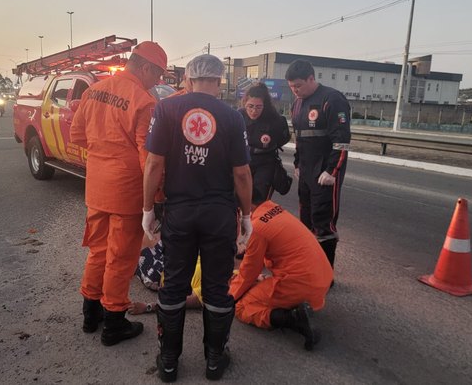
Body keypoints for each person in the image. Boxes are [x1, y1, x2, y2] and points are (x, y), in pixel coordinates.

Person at [142, 54, 253, 382]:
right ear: (219, 81)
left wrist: (148, 209)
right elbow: (243, 173)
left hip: (180, 213)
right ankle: (215, 360)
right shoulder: (232, 117)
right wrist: (247, 216)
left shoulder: (166, 109)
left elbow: (152, 165)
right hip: (219, 215)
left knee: (174, 285)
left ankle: (169, 361)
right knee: (218, 287)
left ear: (187, 80)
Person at [69, 41, 168, 347]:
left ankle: (91, 314)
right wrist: (157, 198)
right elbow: (147, 158)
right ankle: (113, 323)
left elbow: (77, 135)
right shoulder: (143, 100)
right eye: (159, 75)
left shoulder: (93, 90)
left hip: (96, 188)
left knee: (98, 250)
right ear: (146, 67)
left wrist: (104, 157)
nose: (159, 82)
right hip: (126, 191)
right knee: (121, 258)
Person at [229, 199, 332, 350]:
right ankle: (296, 305)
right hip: (322, 277)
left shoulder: (257, 228)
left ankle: (293, 319)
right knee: (256, 285)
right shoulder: (273, 209)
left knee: (242, 306)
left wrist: (228, 298)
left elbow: (248, 274)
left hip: (303, 284)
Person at [287, 59, 351, 270]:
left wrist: (332, 171)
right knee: (306, 221)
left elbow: (341, 140)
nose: (295, 90)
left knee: (323, 222)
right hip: (306, 171)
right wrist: (297, 163)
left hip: (325, 173)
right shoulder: (297, 104)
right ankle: (308, 269)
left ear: (311, 79)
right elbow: (300, 138)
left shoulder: (331, 99)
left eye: (298, 85)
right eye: (291, 87)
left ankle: (325, 275)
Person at [240, 82, 291, 204]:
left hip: (265, 163)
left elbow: (283, 138)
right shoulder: (238, 116)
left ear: (265, 105)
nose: (254, 111)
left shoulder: (275, 119)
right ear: (244, 103)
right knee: (239, 200)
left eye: (258, 107)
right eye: (250, 106)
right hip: (243, 162)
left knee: (258, 202)